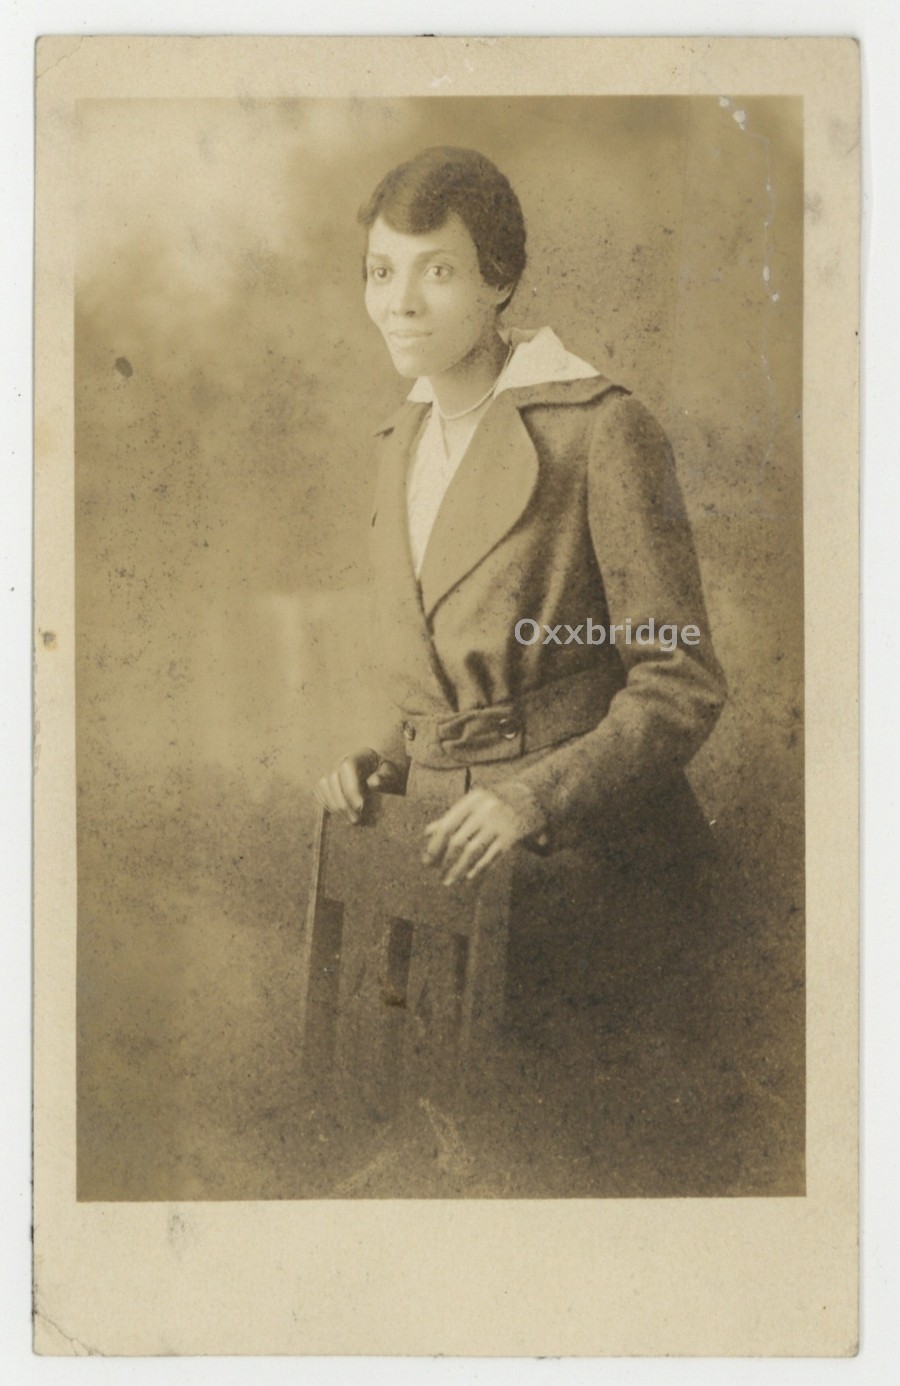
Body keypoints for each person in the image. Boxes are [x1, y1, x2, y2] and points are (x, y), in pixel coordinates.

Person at [314, 145, 727, 1085]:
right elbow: (437, 663)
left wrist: (533, 796)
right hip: (443, 866)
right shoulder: (399, 441)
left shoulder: (601, 428)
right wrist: (383, 758)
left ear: (500, 280)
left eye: (438, 272)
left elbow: (681, 681)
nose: (401, 302)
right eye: (381, 272)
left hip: (589, 869)